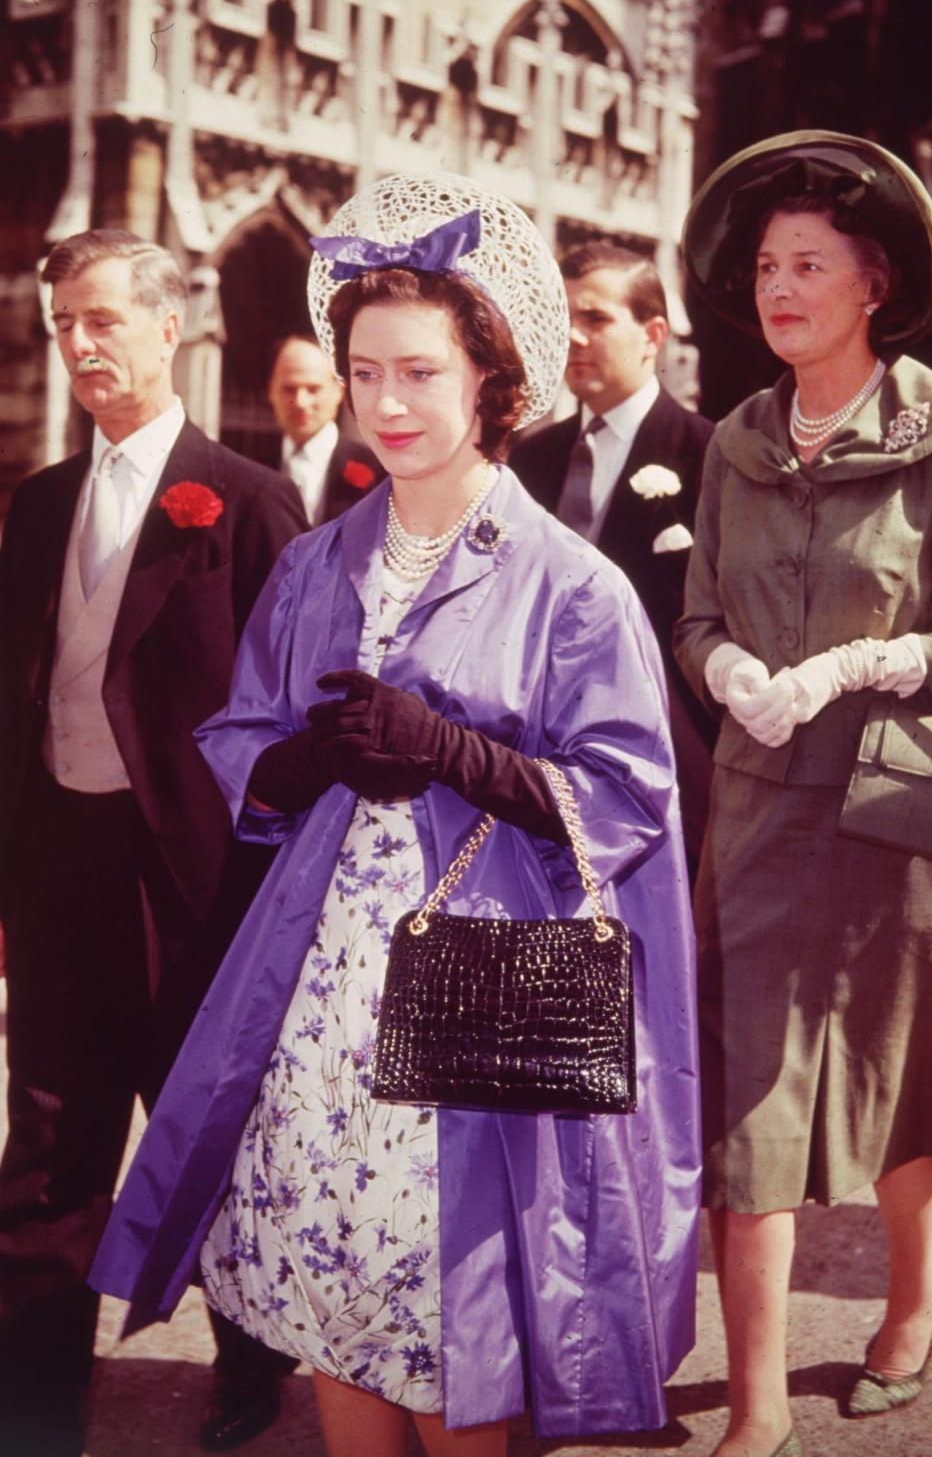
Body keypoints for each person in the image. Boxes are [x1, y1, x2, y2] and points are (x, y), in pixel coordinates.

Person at [89, 176, 701, 1456]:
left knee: (464, 1344)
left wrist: (460, 757)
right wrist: (304, 759)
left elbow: (632, 797)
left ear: (490, 377)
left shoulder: (571, 584)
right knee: (338, 1319)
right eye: (367, 373)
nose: (388, 404)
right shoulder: (320, 560)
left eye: (420, 372)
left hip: (483, 1003)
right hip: (319, 1005)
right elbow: (245, 746)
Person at [0, 230, 308, 1457]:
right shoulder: (34, 504)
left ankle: (249, 1365)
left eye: (103, 320)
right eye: (63, 322)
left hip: (192, 885)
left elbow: (299, 702)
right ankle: (30, 1400)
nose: (79, 344)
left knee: (204, 1129)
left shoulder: (243, 499)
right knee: (47, 1140)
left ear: (168, 328)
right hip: (62, 861)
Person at [675, 131, 932, 1457]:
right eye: (768, 266)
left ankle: (912, 1297)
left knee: (905, 1084)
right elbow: (691, 617)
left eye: (810, 264)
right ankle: (761, 1405)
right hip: (757, 810)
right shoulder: (732, 442)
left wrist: (888, 655)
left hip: (897, 814)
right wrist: (722, 659)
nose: (779, 286)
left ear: (876, 284)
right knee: (751, 1103)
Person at [510, 242, 715, 875]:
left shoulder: (707, 454)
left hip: (664, 756)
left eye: (596, 319)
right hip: (535, 759)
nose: (573, 336)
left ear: (653, 335)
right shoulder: (530, 459)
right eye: (564, 316)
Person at [266, 333, 382, 523]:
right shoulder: (252, 464)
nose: (301, 402)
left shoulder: (378, 469)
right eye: (289, 389)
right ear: (271, 391)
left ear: (339, 390)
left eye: (313, 389)